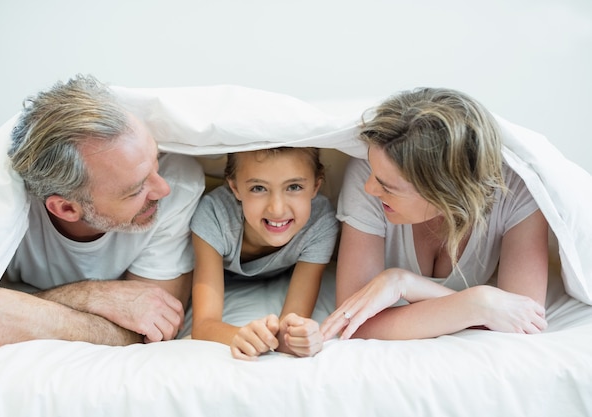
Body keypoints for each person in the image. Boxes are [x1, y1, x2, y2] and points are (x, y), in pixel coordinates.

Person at [0, 75, 205, 353]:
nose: (161, 189)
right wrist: (89, 297)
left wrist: (35, 313)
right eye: (135, 190)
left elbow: (155, 328)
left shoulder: (179, 181)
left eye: (156, 162)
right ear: (66, 208)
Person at [321, 87, 549, 341]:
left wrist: (405, 284)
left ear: (444, 193)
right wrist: (478, 304)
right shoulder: (371, 169)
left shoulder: (517, 191)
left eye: (388, 187)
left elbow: (524, 317)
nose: (370, 188)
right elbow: (355, 322)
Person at [190, 147, 338, 360]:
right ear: (235, 187)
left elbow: (293, 320)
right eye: (258, 188)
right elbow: (203, 325)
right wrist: (240, 335)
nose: (277, 209)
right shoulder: (215, 216)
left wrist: (300, 337)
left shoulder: (319, 223)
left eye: (294, 187)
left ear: (316, 186)